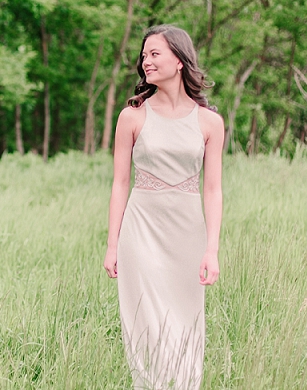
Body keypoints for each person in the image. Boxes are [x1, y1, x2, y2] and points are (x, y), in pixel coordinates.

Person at [103, 25, 224, 389]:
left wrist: (212, 250)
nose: (146, 61)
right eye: (144, 56)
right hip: (140, 232)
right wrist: (112, 244)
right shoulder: (133, 116)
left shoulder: (210, 123)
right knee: (146, 325)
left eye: (154, 54)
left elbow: (214, 189)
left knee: (185, 324)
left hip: (187, 235)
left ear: (179, 60)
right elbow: (120, 183)